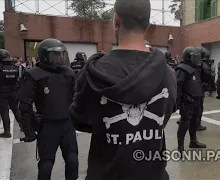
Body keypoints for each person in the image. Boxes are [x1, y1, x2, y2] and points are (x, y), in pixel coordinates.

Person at [69, 0, 176, 179]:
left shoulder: (92, 73)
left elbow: (79, 120)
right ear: (148, 24)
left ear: (116, 20)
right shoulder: (168, 73)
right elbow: (165, 114)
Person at [18, 38, 79, 180]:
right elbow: (25, 104)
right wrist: (29, 130)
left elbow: (76, 98)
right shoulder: (34, 74)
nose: (61, 57)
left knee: (72, 160)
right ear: (46, 55)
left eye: (62, 54)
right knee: (46, 164)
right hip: (47, 126)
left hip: (67, 125)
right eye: (56, 54)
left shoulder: (68, 73)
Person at [176, 46, 207, 152]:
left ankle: (193, 141)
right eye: (195, 57)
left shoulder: (195, 68)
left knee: (194, 122)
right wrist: (178, 103)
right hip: (187, 102)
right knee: (184, 124)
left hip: (197, 100)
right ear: (188, 57)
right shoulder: (182, 69)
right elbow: (178, 86)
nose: (197, 59)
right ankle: (180, 146)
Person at [0, 49, 21, 138]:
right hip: (13, 92)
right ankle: (24, 126)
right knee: (16, 110)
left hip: (2, 93)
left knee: (4, 112)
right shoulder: (15, 68)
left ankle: (7, 132)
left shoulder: (0, 68)